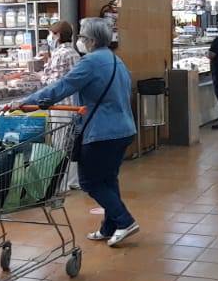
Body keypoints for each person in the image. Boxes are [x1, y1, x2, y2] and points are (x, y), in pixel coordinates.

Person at [19, 17, 140, 246]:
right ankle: (109, 226)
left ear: (91, 40)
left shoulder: (90, 62)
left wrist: (28, 102)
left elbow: (61, 87)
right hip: (124, 129)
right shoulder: (116, 61)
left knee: (89, 181)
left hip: (101, 132)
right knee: (107, 179)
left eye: (82, 37)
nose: (80, 41)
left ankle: (125, 221)